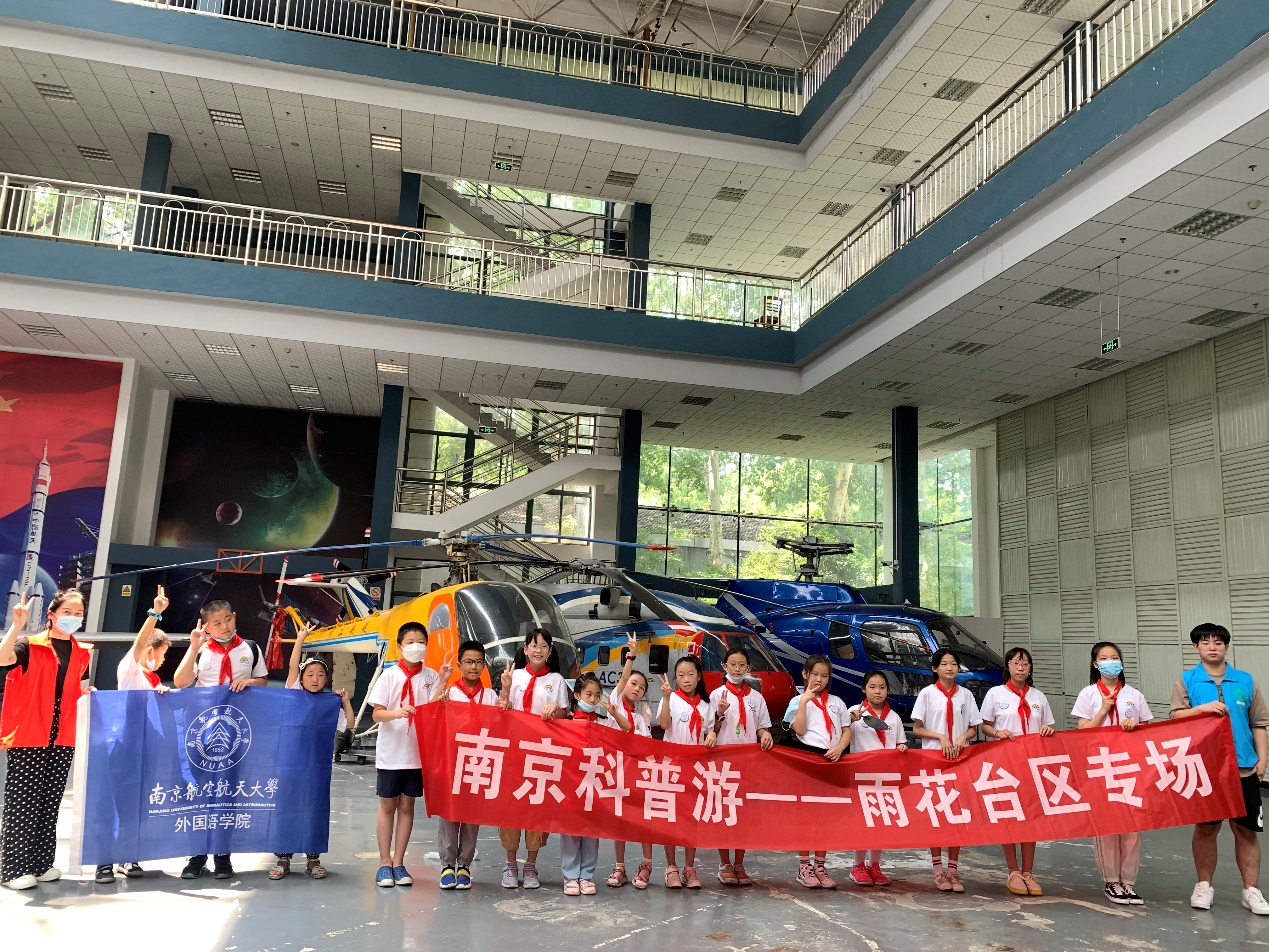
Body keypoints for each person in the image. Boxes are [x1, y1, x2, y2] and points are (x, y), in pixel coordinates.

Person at [1171, 623, 1269, 916]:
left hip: (1243, 768)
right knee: (1206, 829)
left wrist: (1262, 759)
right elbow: (1175, 717)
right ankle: (1204, 886)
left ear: (1226, 646)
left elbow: (1258, 723)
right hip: (1205, 768)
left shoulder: (1245, 680)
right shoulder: (1187, 680)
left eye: (1217, 642)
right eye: (1205, 642)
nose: (1212, 647)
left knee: (1246, 830)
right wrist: (1200, 710)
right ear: (1196, 647)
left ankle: (1251, 890)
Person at [0, 589, 92, 890]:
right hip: (30, 731)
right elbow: (2, 658)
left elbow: (76, 686)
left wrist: (85, 693)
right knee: (22, 801)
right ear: (52, 614)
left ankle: (40, 864)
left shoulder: (81, 652)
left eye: (78, 614)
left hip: (62, 733)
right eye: (67, 612)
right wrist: (17, 625)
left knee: (49, 801)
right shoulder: (30, 644)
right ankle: (12, 869)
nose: (73, 618)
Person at [172, 598, 267, 881]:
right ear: (207, 626)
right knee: (201, 791)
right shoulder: (202, 650)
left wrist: (249, 682)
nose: (224, 626)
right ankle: (197, 856)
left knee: (227, 792)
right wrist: (193, 647)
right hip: (202, 732)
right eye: (216, 623)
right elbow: (180, 682)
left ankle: (222, 855)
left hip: (236, 732)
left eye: (228, 619)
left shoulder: (250, 648)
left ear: (234, 616)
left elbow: (262, 680)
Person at [97, 587, 172, 884]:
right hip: (122, 747)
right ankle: (103, 861)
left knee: (138, 803)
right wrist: (155, 613)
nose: (162, 661)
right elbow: (140, 643)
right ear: (151, 652)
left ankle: (129, 855)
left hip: (145, 748)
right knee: (112, 802)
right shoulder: (129, 669)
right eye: (162, 655)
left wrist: (161, 694)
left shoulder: (153, 681)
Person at [269, 624, 354, 882]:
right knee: (287, 808)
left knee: (314, 808)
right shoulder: (294, 694)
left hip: (316, 768)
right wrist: (301, 639)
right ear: (302, 678)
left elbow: (349, 725)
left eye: (320, 675)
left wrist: (346, 702)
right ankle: (283, 858)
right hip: (289, 767)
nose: (315, 679)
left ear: (326, 679)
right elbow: (292, 666)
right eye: (310, 674)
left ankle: (313, 858)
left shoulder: (330, 704)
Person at [367, 621, 446, 888]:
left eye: (421, 642)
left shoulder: (431, 676)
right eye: (410, 642)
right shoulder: (389, 676)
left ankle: (399, 862)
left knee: (407, 806)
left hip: (416, 754)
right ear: (399, 647)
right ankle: (383, 862)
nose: (416, 647)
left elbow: (433, 709)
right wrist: (397, 713)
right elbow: (377, 714)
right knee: (388, 805)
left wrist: (443, 682)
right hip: (391, 753)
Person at [1072, 640, 1151, 906]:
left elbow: (1148, 731)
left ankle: (1128, 881)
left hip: (1129, 765)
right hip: (1100, 765)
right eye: (1104, 658)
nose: (1111, 662)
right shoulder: (1088, 694)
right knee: (1106, 825)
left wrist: (1135, 727)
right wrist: (1103, 711)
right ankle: (1111, 880)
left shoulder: (1134, 695)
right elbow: (1082, 731)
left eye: (1115, 657)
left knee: (1132, 825)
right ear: (1095, 664)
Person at [980, 647, 1055, 897]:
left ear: (1030, 668)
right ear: (1008, 667)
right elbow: (985, 726)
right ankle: (1013, 870)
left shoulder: (1038, 696)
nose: (1020, 668)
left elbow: (1047, 725)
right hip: (1005, 763)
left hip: (1032, 762)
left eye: (1025, 664)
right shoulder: (995, 694)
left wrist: (1047, 730)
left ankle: (1028, 871)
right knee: (1009, 814)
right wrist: (996, 732)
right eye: (1015, 663)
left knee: (1031, 816)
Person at [497, 627, 569, 889]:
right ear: (525, 649)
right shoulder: (513, 675)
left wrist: (556, 710)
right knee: (511, 806)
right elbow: (502, 709)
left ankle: (530, 864)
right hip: (514, 751)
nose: (539, 650)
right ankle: (510, 864)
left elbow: (564, 715)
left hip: (541, 752)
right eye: (534, 645)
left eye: (544, 646)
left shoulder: (557, 680)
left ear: (550, 651)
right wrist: (505, 690)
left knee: (537, 806)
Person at [911, 647, 982, 893]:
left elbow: (974, 728)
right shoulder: (927, 694)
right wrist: (940, 736)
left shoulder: (966, 695)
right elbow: (917, 728)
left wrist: (963, 737)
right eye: (944, 664)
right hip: (934, 759)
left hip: (959, 759)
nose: (949, 668)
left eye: (953, 664)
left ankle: (953, 870)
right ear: (935, 668)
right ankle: (938, 870)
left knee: (957, 814)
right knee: (937, 813)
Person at [784, 654, 852, 889]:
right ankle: (804, 866)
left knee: (825, 814)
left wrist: (840, 747)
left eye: (824, 676)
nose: (819, 680)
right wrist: (804, 701)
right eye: (815, 674)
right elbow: (800, 730)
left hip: (832, 758)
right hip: (808, 757)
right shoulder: (796, 701)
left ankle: (820, 865)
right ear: (805, 674)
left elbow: (846, 730)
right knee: (806, 813)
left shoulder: (837, 702)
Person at [706, 645, 772, 886]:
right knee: (724, 812)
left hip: (748, 763)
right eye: (732, 664)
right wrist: (719, 714)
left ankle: (739, 863)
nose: (736, 669)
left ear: (748, 668)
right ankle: (724, 863)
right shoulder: (716, 695)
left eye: (741, 665)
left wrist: (765, 734)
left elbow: (761, 726)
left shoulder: (756, 698)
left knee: (743, 813)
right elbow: (710, 731)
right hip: (723, 762)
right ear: (724, 666)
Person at [438, 639, 498, 891]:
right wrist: (441, 686)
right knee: (450, 812)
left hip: (478, 762)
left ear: (484, 665)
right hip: (452, 760)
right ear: (459, 665)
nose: (473, 667)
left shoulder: (490, 696)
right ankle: (447, 864)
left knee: (472, 815)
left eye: (478, 662)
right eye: (468, 662)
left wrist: (506, 697)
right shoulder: (449, 693)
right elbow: (432, 716)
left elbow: (500, 725)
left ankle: (464, 864)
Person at [561, 672, 629, 896]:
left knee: (591, 832)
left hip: (595, 785)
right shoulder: (567, 722)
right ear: (577, 695)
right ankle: (570, 876)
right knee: (570, 831)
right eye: (588, 694)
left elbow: (626, 729)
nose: (592, 699)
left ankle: (586, 875)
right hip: (572, 784)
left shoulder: (603, 722)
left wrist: (614, 712)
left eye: (597, 695)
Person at [845, 668, 907, 887]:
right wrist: (849, 720)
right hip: (862, 777)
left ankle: (874, 865)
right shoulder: (854, 712)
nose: (877, 691)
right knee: (863, 821)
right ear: (864, 689)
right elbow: (839, 735)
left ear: (888, 690)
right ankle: (857, 865)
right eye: (872, 687)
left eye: (882, 687)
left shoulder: (894, 717)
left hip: (885, 778)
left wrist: (902, 746)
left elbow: (900, 741)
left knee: (881, 821)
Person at [657, 655, 711, 889]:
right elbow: (664, 725)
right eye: (681, 675)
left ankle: (689, 867)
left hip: (696, 768)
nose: (686, 679)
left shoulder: (706, 704)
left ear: (699, 677)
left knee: (691, 818)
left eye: (691, 674)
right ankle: (671, 868)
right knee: (670, 817)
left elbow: (710, 731)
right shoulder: (671, 699)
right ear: (675, 678)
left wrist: (712, 734)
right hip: (673, 766)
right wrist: (666, 698)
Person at [606, 633, 655, 890]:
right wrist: (631, 655)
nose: (636, 688)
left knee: (644, 820)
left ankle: (647, 864)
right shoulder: (615, 704)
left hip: (640, 775)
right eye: (633, 684)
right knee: (620, 820)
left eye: (642, 687)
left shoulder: (643, 717)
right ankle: (619, 867)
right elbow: (624, 678)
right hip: (618, 772)